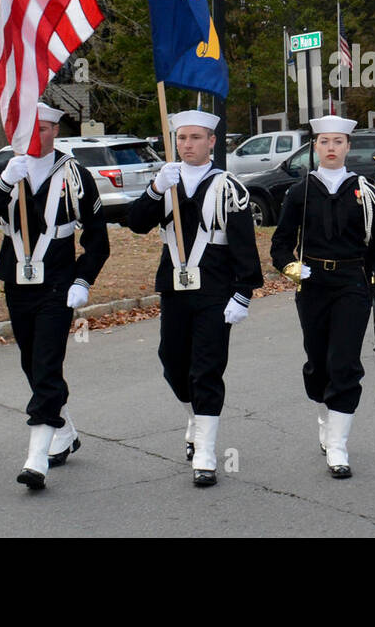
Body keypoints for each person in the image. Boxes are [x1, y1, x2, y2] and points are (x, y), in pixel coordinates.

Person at [0, 103, 109, 490]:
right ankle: (64, 433)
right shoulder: (5, 170)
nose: (37, 136)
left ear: (56, 131)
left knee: (46, 362)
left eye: (44, 129)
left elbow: (97, 237)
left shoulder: (75, 175)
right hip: (17, 279)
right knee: (32, 363)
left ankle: (36, 457)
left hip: (58, 282)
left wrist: (84, 279)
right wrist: (1, 185)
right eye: (29, 129)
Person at [124, 109, 262, 487]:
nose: (188, 145)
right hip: (175, 287)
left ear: (212, 142)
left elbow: (244, 246)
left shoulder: (228, 187)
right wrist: (154, 190)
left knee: (207, 367)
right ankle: (194, 416)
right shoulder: (165, 181)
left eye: (196, 138)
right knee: (172, 360)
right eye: (182, 138)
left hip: (216, 289)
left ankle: (205, 451)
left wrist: (243, 292)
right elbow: (136, 224)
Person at [270, 116, 375, 478]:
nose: (331, 148)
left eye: (338, 142)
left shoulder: (364, 191)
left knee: (345, 362)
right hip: (312, 285)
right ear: (315, 147)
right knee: (318, 362)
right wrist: (293, 269)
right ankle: (324, 412)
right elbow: (280, 245)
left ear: (348, 146)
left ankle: (338, 446)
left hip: (353, 283)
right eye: (324, 142)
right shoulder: (300, 191)